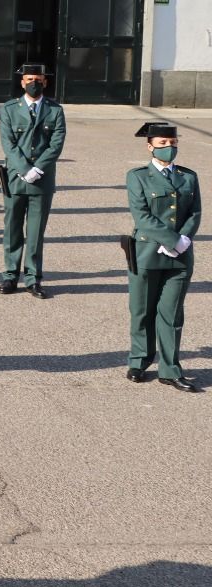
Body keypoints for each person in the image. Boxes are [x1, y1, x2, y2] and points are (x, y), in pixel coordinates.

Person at [124, 123, 200, 392]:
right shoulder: (137, 177)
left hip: (180, 256)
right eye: (163, 144)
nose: (169, 148)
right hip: (147, 252)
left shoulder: (188, 177)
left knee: (172, 314)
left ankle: (170, 370)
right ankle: (139, 361)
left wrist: (183, 240)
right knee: (142, 310)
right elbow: (141, 216)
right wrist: (170, 240)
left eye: (173, 143)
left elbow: (195, 213)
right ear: (150, 146)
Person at [0, 63, 67, 299]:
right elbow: (8, 143)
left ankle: (33, 278)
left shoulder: (55, 110)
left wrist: (38, 168)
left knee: (36, 233)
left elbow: (56, 144)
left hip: (42, 179)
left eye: (38, 80)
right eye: (29, 79)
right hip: (16, 178)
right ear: (22, 82)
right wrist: (24, 169)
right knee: (12, 229)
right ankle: (10, 275)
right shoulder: (9, 109)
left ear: (45, 82)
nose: (34, 83)